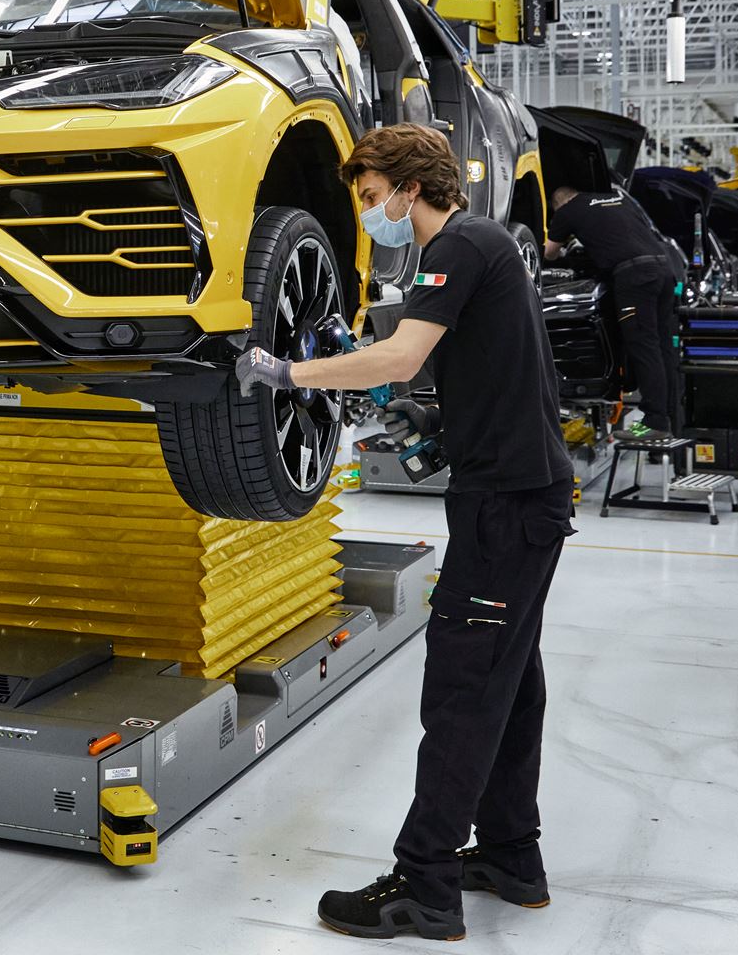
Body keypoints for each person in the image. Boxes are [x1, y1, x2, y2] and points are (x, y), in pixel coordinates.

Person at [237, 123, 576, 942]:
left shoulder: (455, 247)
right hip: (519, 497)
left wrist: (288, 372)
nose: (368, 214)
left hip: (506, 508)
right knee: (509, 683)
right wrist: (438, 414)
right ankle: (509, 856)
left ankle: (425, 886)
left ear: (408, 189)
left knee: (462, 687)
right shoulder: (485, 245)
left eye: (368, 198)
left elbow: (397, 355)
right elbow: (470, 366)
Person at [544, 184, 684, 436]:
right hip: (665, 270)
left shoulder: (567, 211)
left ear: (558, 204)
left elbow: (549, 253)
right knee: (664, 348)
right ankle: (670, 420)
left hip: (634, 276)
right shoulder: (616, 199)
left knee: (644, 346)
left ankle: (654, 423)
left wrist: (566, 248)